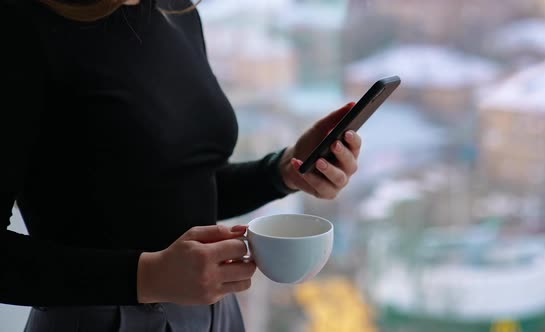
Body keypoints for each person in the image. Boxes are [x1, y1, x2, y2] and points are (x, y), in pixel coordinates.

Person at [0, 0, 363, 331]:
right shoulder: (20, 24)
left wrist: (283, 171)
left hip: (214, 315)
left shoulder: (176, 10)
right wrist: (146, 276)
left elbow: (178, 187)